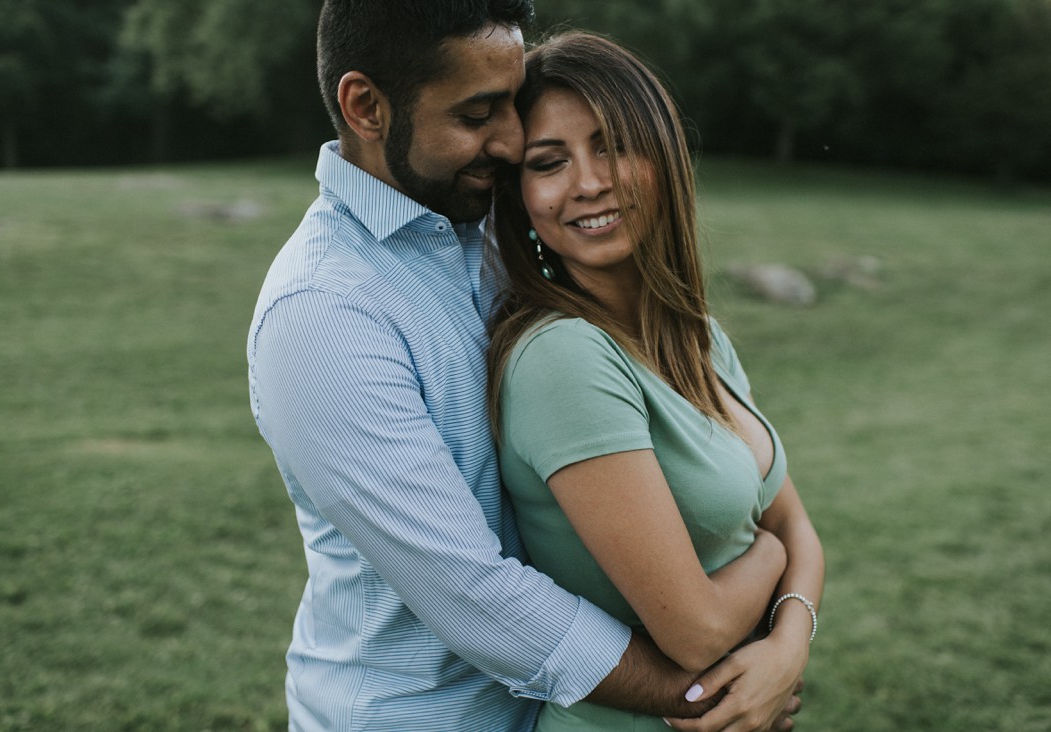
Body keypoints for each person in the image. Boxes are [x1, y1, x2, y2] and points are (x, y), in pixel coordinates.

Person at [249, 2, 804, 730]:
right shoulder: (322, 313)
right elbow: (476, 595)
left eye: (512, 106)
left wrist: (784, 636)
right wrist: (714, 694)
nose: (511, 141)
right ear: (365, 107)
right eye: (479, 114)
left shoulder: (493, 239)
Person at [487, 31, 826, 731]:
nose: (587, 182)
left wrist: (788, 646)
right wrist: (772, 556)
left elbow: (796, 519)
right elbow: (696, 631)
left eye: (611, 145)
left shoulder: (697, 334)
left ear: (662, 154)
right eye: (550, 163)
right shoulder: (564, 359)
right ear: (523, 201)